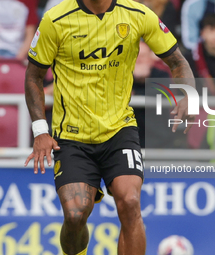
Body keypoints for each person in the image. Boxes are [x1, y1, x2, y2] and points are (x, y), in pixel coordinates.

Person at [24, 0, 195, 255]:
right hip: (72, 137)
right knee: (74, 215)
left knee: (130, 201)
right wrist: (40, 131)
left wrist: (187, 93)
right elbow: (33, 77)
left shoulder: (137, 14)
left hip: (119, 131)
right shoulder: (55, 19)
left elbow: (178, 61)